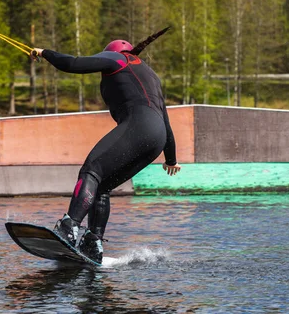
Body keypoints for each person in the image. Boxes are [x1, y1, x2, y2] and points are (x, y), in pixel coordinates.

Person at [32, 29, 181, 264]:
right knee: (101, 187)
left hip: (139, 126)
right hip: (157, 138)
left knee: (92, 170)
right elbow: (166, 123)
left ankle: (69, 227)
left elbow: (72, 63)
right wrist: (171, 158)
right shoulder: (151, 75)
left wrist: (45, 53)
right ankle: (93, 241)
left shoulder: (118, 59)